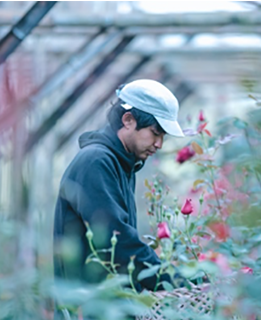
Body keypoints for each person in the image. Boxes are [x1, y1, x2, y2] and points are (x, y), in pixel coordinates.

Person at [53, 78, 185, 296]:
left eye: (163, 137)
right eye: (155, 133)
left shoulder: (122, 163)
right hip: (89, 310)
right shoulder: (96, 162)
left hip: (106, 305)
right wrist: (175, 281)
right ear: (128, 120)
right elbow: (118, 242)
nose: (159, 144)